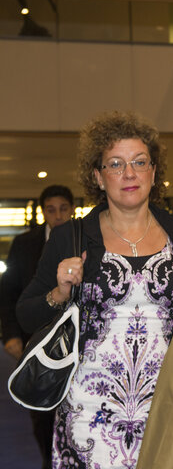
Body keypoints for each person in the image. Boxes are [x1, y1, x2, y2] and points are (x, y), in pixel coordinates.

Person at [16, 111, 173, 469]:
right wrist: (59, 293)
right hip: (88, 414)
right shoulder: (69, 238)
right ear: (98, 176)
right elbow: (26, 313)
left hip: (171, 406)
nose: (129, 173)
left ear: (154, 172)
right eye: (115, 164)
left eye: (140, 162)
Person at [1, 184, 74, 469]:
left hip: (75, 342)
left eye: (63, 209)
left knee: (71, 409)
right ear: (44, 212)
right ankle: (48, 460)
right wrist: (10, 334)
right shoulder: (25, 244)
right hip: (35, 340)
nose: (57, 216)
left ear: (71, 210)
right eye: (51, 210)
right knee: (40, 409)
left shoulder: (85, 241)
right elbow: (8, 294)